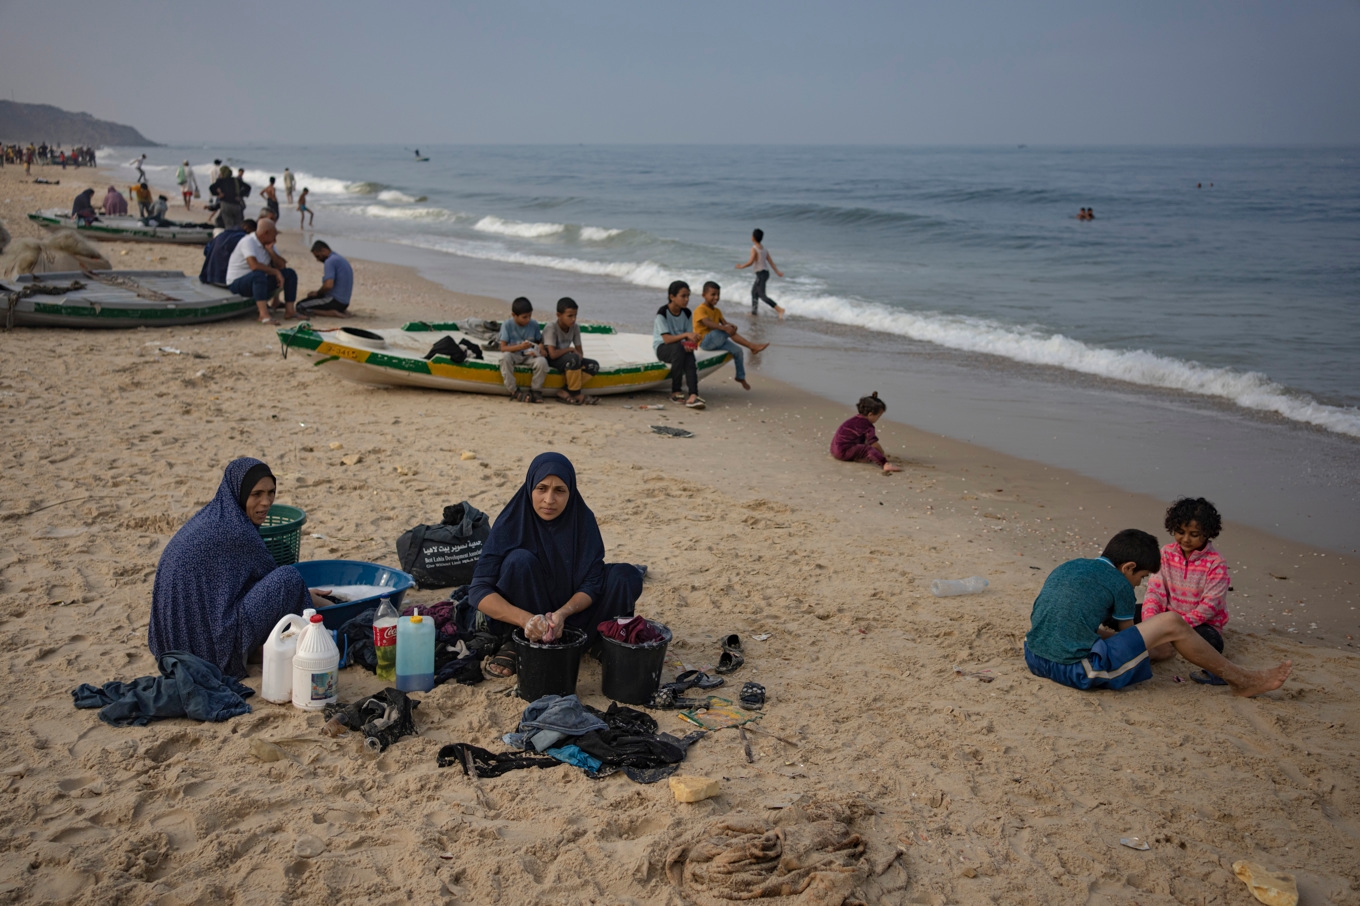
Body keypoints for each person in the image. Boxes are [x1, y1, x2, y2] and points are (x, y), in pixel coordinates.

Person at [1024, 529, 1291, 697]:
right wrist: (1158, 649)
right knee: (1171, 622)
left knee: (1099, 626)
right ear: (1128, 567)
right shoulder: (1120, 584)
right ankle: (1241, 679)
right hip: (1075, 670)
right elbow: (1131, 639)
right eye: (1140, 576)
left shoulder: (1072, 566)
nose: (1139, 584)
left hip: (1034, 655)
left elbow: (1064, 619)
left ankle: (1240, 677)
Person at [147, 458, 330, 679]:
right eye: (256, 494)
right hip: (206, 651)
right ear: (239, 492)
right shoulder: (239, 532)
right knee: (289, 577)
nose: (266, 502)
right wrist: (326, 604)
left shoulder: (214, 515)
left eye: (271, 492)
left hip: (169, 644)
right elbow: (280, 585)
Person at [470, 452, 645, 677]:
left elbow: (592, 583)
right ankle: (519, 641)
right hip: (528, 617)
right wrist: (527, 620)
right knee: (518, 561)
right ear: (530, 487)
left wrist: (562, 614)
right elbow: (478, 590)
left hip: (576, 616)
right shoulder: (511, 522)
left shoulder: (583, 520)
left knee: (626, 575)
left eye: (559, 490)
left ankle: (596, 641)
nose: (549, 500)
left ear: (570, 492)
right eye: (541, 488)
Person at [1141, 497, 1232, 683]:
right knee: (1127, 612)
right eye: (1180, 532)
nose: (1186, 539)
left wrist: (1176, 626)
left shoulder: (1216, 563)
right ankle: (1163, 638)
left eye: (1194, 534)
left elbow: (1209, 607)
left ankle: (1167, 640)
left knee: (1212, 642)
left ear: (1207, 533)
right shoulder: (1166, 553)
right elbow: (1155, 592)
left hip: (1199, 625)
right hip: (1167, 617)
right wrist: (1151, 625)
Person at [694, 281, 768, 391]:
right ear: (704, 295)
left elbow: (725, 324)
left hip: (716, 339)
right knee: (725, 331)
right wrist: (725, 328)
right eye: (713, 294)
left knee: (738, 351)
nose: (716, 297)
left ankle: (740, 377)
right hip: (704, 342)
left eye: (718, 294)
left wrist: (732, 326)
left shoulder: (717, 311)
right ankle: (752, 346)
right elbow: (707, 323)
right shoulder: (700, 309)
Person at [226, 218, 297, 323]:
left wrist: (271, 252)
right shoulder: (248, 241)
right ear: (266, 233)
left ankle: (290, 311)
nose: (275, 239)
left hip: (259, 282)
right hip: (238, 282)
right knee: (258, 274)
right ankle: (263, 315)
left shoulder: (268, 243)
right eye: (274, 235)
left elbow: (282, 265)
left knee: (290, 274)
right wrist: (275, 272)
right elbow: (254, 266)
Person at [653, 280, 705, 409]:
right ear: (672, 297)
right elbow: (666, 339)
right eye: (683, 296)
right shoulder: (662, 313)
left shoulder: (687, 313)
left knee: (688, 353)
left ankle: (693, 394)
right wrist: (685, 337)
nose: (686, 300)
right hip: (662, 349)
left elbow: (689, 336)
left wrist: (692, 341)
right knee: (678, 348)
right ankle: (675, 390)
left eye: (688, 296)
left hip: (680, 347)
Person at [543, 297, 600, 405]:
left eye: (575, 315)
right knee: (573, 359)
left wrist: (578, 355)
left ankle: (565, 391)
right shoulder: (551, 328)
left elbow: (580, 353)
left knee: (594, 365)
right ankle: (576, 393)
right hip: (551, 359)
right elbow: (552, 355)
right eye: (570, 316)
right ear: (559, 315)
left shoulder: (575, 328)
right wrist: (570, 349)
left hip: (567, 359)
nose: (573, 319)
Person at [831, 392, 902, 473]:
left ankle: (858, 457)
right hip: (843, 452)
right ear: (871, 414)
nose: (878, 419)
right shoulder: (868, 425)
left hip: (834, 450)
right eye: (878, 416)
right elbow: (873, 443)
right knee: (867, 449)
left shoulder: (854, 420)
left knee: (862, 440)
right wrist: (882, 453)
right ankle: (885, 464)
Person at [498, 297, 548, 402]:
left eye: (530, 316)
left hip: (529, 355)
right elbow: (503, 348)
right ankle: (513, 390)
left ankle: (535, 390)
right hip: (514, 354)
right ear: (514, 315)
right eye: (524, 317)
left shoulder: (534, 324)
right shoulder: (507, 325)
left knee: (542, 362)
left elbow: (539, 342)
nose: (528, 319)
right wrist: (520, 347)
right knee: (505, 358)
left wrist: (540, 350)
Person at [736, 228, 785, 318]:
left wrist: (741, 266)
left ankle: (779, 309)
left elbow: (751, 262)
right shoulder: (764, 249)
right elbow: (770, 262)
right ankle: (754, 312)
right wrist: (777, 272)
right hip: (765, 273)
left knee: (762, 295)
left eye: (752, 235)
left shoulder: (754, 248)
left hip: (761, 274)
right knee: (754, 292)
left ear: (753, 238)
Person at [297, 240, 354, 318]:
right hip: (344, 303)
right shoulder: (340, 259)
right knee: (311, 300)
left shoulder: (330, 261)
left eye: (318, 256)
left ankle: (332, 313)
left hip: (334, 301)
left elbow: (328, 285)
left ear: (324, 250)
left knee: (300, 306)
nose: (318, 260)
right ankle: (340, 310)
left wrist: (318, 293)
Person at [201, 219, 254, 285]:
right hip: (224, 279)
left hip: (208, 277)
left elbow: (206, 251)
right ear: (247, 228)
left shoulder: (221, 235)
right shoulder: (243, 238)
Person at [209, 166, 245, 230]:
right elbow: (248, 187)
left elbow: (211, 188)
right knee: (238, 225)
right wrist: (240, 195)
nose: (220, 174)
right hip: (236, 204)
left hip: (225, 204)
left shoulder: (221, 181)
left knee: (228, 224)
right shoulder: (236, 180)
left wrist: (218, 194)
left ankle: (230, 238)